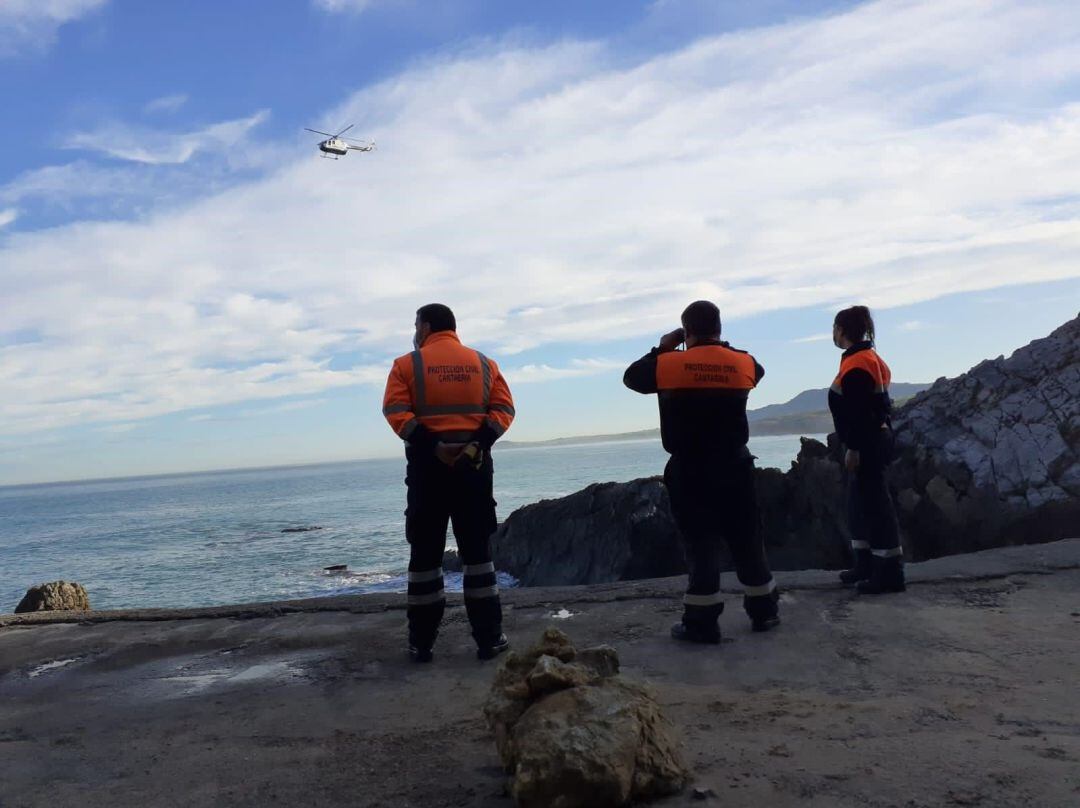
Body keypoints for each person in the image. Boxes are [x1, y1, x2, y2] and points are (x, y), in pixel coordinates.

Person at [624, 300, 780, 643]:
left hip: (691, 467)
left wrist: (663, 347)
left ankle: (702, 622)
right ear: (720, 328)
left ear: (686, 331)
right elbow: (758, 370)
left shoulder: (669, 363)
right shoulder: (742, 362)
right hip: (735, 464)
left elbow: (632, 378)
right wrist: (721, 349)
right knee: (748, 539)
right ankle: (764, 612)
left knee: (701, 543)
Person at [382, 303, 516, 662]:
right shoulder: (485, 365)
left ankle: (420, 644)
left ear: (425, 327)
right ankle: (489, 640)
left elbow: (396, 413)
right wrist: (476, 444)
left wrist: (434, 446)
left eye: (415, 324)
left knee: (424, 558)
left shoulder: (405, 366)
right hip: (473, 473)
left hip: (428, 475)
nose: (415, 330)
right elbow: (504, 411)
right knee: (478, 559)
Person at [828, 305, 905, 594]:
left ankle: (889, 573)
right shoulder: (867, 358)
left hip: (868, 443)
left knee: (875, 506)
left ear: (842, 330)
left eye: (834, 329)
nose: (833, 334)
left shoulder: (858, 363)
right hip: (876, 438)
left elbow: (861, 412)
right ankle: (865, 564)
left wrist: (854, 448)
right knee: (859, 503)